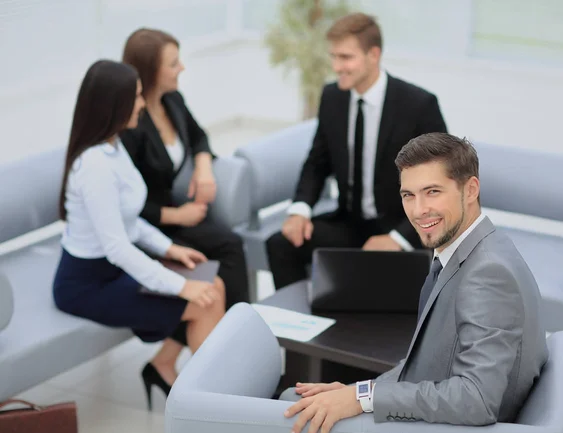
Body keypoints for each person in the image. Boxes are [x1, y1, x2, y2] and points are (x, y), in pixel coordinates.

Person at [281, 133, 548, 433]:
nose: (419, 210)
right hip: (435, 419)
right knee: (297, 399)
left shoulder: (488, 273)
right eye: (408, 195)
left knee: (288, 408)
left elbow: (477, 398)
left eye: (432, 192)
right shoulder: (474, 249)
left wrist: (362, 399)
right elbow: (422, 367)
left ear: (471, 189)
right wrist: (357, 392)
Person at [52, 60, 225, 410]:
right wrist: (180, 285)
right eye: (136, 97)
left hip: (113, 269)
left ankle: (193, 388)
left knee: (214, 287)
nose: (143, 104)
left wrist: (171, 248)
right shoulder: (95, 166)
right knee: (203, 300)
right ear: (114, 105)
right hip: (87, 284)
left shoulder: (113, 147)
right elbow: (117, 247)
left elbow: (129, 220)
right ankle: (210, 410)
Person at [266, 13, 447, 290]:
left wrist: (397, 239)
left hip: (404, 226)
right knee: (281, 244)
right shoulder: (332, 97)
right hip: (350, 223)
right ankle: (301, 326)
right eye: (333, 57)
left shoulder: (418, 105)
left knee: (387, 292)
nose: (336, 66)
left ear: (373, 55)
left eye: (345, 57)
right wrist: (299, 210)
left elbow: (442, 184)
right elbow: (317, 162)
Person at [120, 28, 249, 315]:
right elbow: (124, 204)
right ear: (150, 71)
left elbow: (199, 136)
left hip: (175, 214)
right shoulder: (130, 125)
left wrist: (203, 168)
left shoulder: (172, 101)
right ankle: (185, 349)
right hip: (148, 223)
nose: (182, 68)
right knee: (205, 270)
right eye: (174, 63)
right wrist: (176, 215)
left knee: (231, 245)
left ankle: (241, 328)